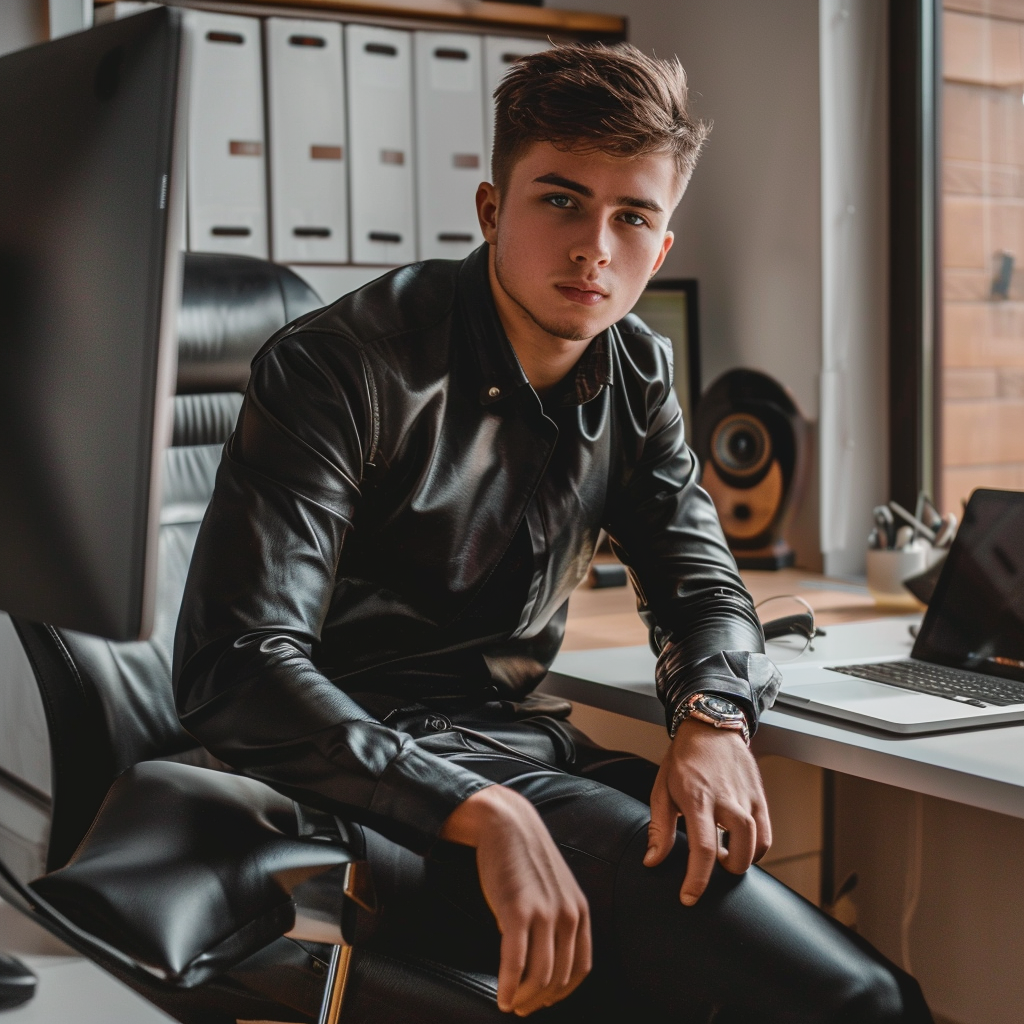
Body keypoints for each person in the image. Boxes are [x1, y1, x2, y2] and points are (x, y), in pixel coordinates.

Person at [174, 43, 933, 1022]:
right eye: (561, 201)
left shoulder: (635, 371)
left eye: (633, 216)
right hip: (368, 777)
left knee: (812, 970)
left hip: (527, 747)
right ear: (492, 210)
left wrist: (711, 715)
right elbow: (237, 664)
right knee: (862, 1002)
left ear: (661, 248)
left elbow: (700, 584)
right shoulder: (343, 365)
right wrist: (474, 808)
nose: (594, 249)